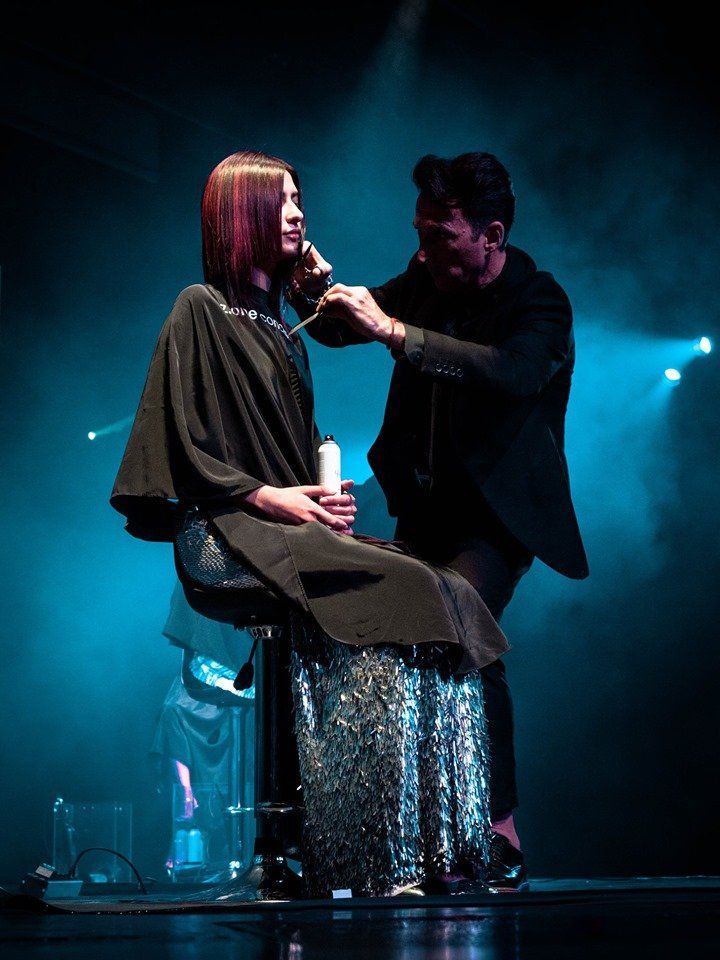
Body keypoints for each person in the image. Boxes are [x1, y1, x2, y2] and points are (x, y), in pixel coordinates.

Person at [110, 150, 510, 897]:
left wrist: (321, 500)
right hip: (228, 532)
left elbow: (296, 431)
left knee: (446, 589)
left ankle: (435, 843)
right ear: (242, 215)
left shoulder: (279, 326)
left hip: (287, 526)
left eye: (300, 199)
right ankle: (372, 849)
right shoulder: (200, 308)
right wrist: (275, 499)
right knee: (416, 589)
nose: (298, 213)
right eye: (282, 202)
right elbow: (188, 449)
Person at [297, 151, 590, 891]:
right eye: (420, 233)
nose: (425, 251)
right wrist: (313, 286)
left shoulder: (540, 301)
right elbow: (344, 327)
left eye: (441, 236)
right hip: (421, 508)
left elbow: (510, 372)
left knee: (462, 629)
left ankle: (497, 827)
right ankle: (428, 830)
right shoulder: (427, 275)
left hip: (492, 522)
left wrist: (397, 331)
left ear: (492, 234)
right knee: (403, 646)